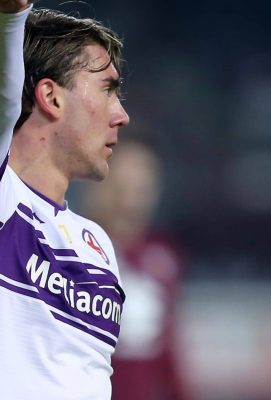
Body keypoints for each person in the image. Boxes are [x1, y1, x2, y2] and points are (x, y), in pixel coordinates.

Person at [0, 1, 130, 399]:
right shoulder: (5, 198)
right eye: (107, 90)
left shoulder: (98, 246)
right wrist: (12, 18)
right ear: (51, 97)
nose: (122, 115)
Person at [81, 139, 191, 400]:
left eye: (140, 189)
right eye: (121, 187)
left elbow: (168, 348)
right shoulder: (71, 250)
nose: (129, 202)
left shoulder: (163, 256)